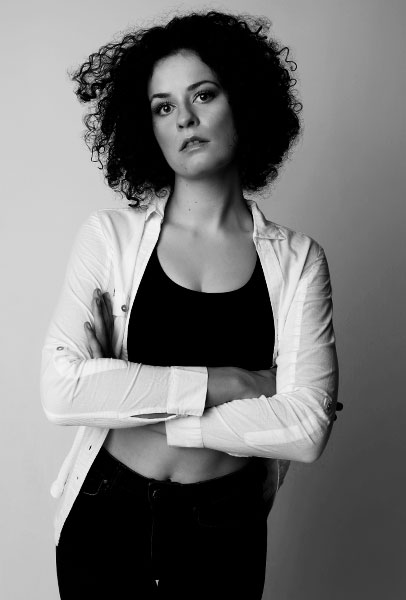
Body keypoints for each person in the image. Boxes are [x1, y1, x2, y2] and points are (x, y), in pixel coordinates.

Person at [40, 10, 340, 600]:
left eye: (203, 94)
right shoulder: (109, 239)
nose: (184, 118)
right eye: (163, 106)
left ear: (242, 102)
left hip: (225, 525)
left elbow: (305, 429)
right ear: (146, 126)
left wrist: (127, 395)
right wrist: (234, 382)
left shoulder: (299, 260)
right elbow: (62, 391)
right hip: (107, 512)